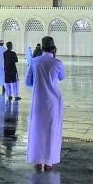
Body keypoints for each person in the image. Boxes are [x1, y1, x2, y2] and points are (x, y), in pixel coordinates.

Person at [26, 36, 65, 171]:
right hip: (54, 102)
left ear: (41, 48)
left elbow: (28, 82)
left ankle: (38, 160)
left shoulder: (35, 61)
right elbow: (61, 77)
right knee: (52, 130)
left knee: (37, 130)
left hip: (38, 100)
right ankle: (49, 161)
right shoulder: (57, 63)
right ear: (54, 48)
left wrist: (39, 83)